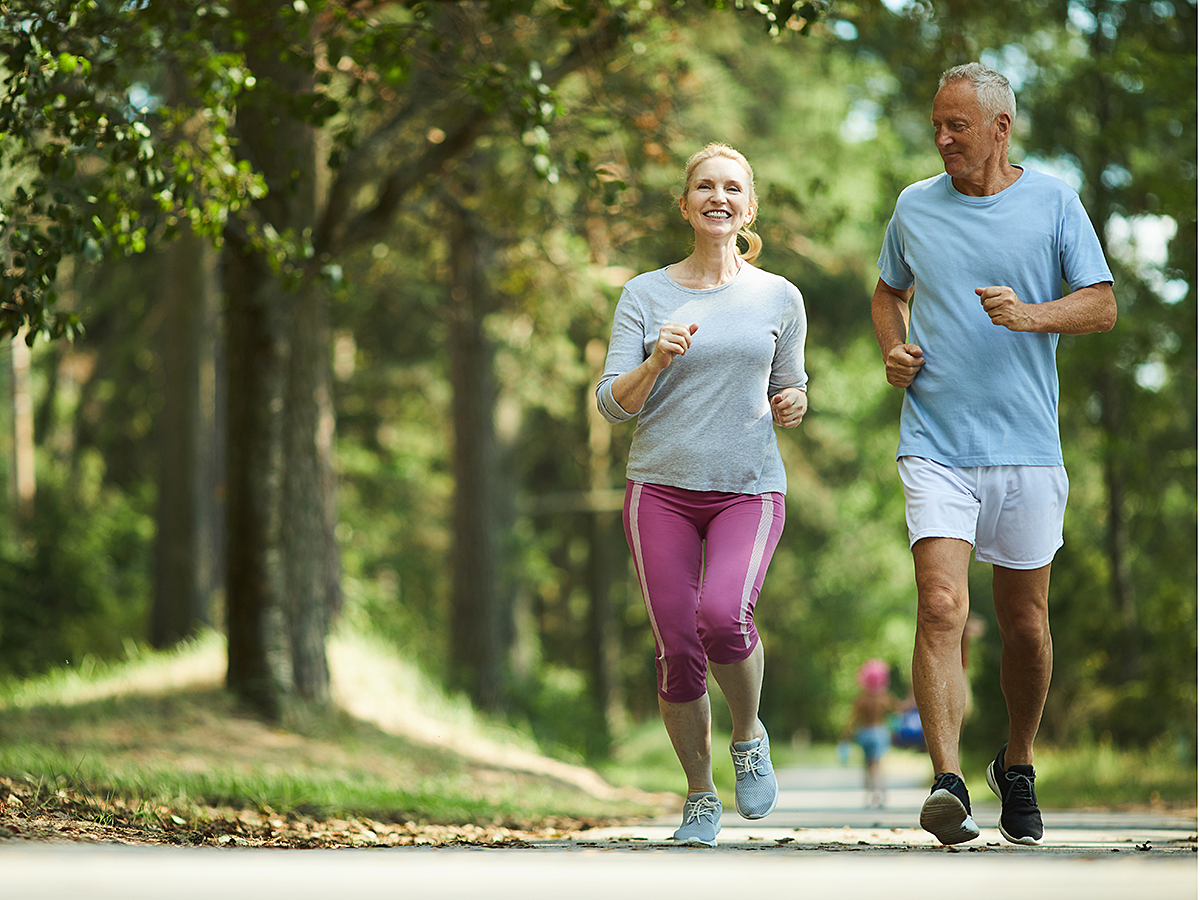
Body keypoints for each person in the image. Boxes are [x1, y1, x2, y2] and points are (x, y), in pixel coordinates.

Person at [870, 63, 1116, 847]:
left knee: (1026, 626)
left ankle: (1016, 762)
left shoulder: (1053, 201)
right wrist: (894, 351)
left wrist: (1032, 313)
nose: (941, 138)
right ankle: (946, 782)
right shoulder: (914, 205)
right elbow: (888, 292)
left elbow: (1103, 305)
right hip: (936, 440)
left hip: (1027, 447)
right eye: (936, 124)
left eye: (957, 126)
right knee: (941, 606)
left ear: (1001, 128)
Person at [596, 142, 808, 847]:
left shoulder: (779, 296)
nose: (718, 197)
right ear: (685, 204)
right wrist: (656, 359)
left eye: (732, 188)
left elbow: (789, 383)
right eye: (705, 186)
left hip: (748, 489)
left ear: (749, 207)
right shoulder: (645, 294)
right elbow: (611, 404)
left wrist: (793, 403)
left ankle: (747, 736)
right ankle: (699, 794)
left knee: (723, 616)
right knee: (677, 647)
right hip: (658, 489)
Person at [841, 659, 900, 808]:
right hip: (880, 732)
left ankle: (869, 794)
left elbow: (853, 720)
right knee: (878, 764)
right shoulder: (885, 698)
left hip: (865, 733)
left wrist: (846, 736)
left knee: (867, 765)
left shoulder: (861, 699)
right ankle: (881, 793)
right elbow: (898, 711)